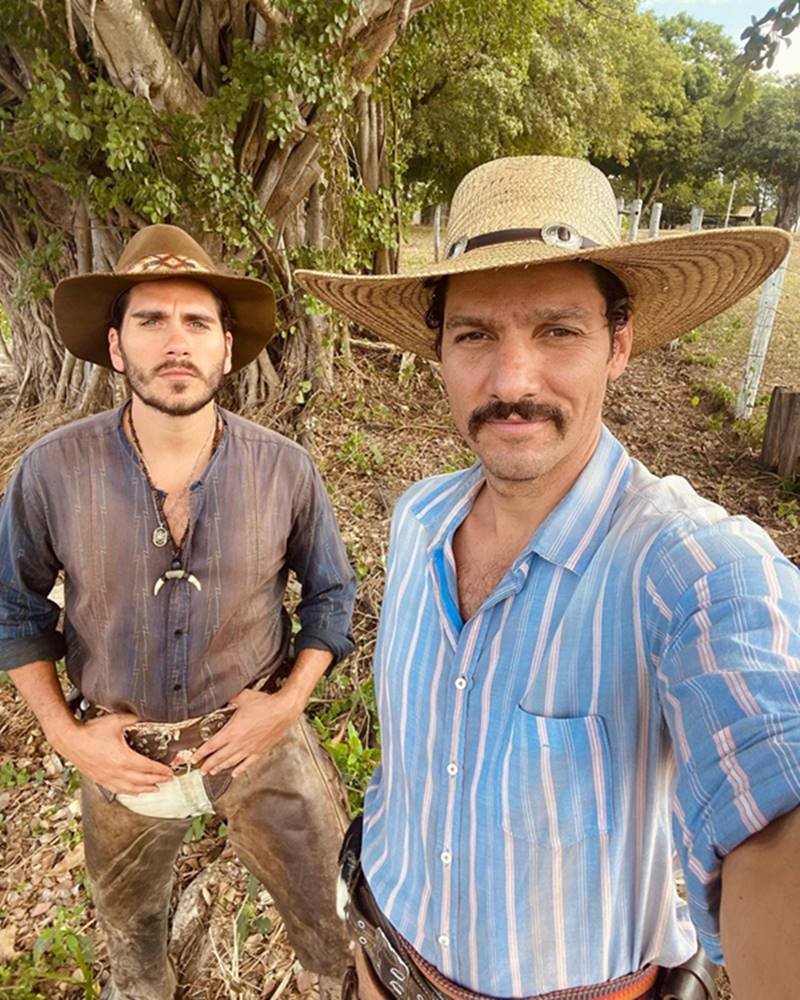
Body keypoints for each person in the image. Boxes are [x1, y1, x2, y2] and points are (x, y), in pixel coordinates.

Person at [295, 157, 800, 1000]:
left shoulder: (697, 570)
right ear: (439, 352)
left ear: (621, 344)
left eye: (559, 331)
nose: (512, 381)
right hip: (379, 955)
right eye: (475, 335)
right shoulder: (418, 519)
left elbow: (774, 807)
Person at [0, 225, 356, 1000]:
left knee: (334, 921)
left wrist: (286, 705)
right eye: (151, 321)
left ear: (227, 348)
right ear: (116, 346)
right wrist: (68, 737)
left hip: (259, 740)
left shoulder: (284, 469)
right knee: (131, 943)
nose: (176, 342)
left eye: (197, 322)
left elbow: (332, 595)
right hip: (119, 752)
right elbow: (13, 609)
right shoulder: (52, 471)